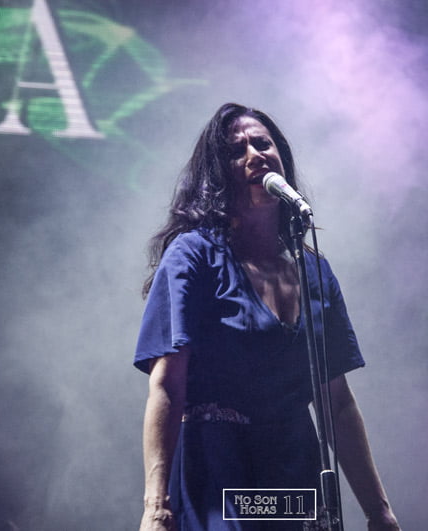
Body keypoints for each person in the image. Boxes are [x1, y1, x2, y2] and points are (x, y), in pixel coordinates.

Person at [134, 103, 401, 531]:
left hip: (292, 468)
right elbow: (167, 383)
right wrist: (156, 506)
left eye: (262, 144)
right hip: (217, 463)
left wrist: (379, 511)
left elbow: (337, 402)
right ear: (217, 175)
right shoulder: (194, 255)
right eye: (236, 151)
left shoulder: (315, 271)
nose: (254, 155)